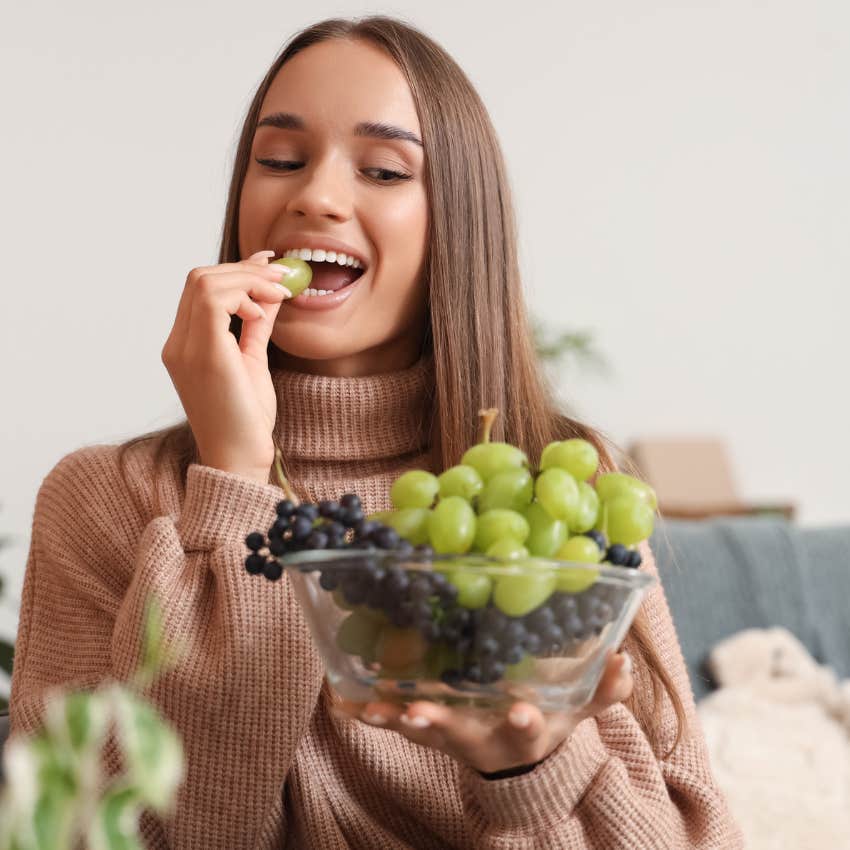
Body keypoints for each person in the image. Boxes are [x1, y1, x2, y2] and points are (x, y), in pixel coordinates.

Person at [9, 15, 744, 849]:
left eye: (385, 170)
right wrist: (239, 482)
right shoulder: (106, 500)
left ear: (456, 226)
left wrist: (529, 770)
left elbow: (693, 838)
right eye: (279, 160)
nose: (313, 196)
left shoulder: (557, 487)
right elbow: (94, 833)